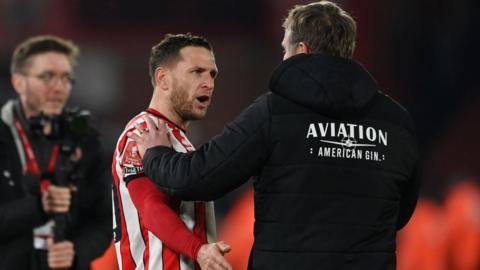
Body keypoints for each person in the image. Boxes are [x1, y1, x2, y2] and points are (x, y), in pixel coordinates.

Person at [130, 1, 420, 270]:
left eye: (285, 49)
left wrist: (156, 154)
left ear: (302, 51)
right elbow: (401, 213)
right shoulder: (396, 122)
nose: (283, 57)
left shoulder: (274, 113)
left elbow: (200, 177)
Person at [112, 33, 232, 270]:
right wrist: (198, 250)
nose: (209, 82)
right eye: (197, 72)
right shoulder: (142, 133)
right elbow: (150, 206)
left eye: (212, 73)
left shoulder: (179, 141)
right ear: (163, 78)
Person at [0, 35, 112, 269]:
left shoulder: (85, 139)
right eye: (47, 76)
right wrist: (38, 207)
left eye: (66, 78)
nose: (59, 87)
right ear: (19, 82)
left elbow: (103, 222)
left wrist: (77, 251)